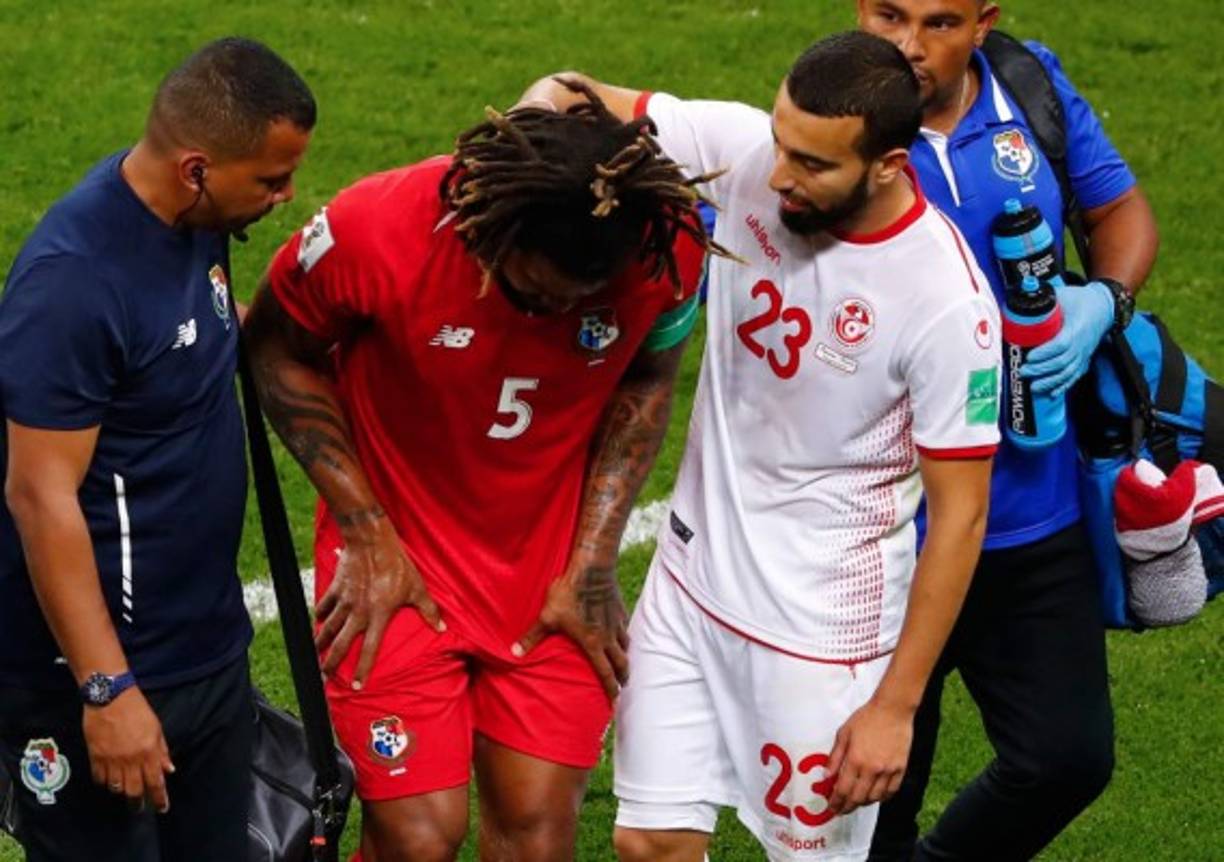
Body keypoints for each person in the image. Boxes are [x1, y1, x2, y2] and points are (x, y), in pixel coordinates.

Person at [522, 30, 1003, 862]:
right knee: (646, 843)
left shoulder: (946, 304)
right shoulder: (749, 154)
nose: (778, 174)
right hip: (687, 588)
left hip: (818, 637)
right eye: (782, 142)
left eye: (814, 164)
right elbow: (570, 90)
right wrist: (526, 142)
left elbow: (961, 519)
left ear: (888, 164)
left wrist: (896, 706)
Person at [243, 92, 727, 862]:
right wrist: (365, 529)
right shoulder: (379, 229)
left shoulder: (664, 253)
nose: (551, 315)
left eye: (579, 304)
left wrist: (596, 560)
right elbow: (274, 347)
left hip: (551, 574)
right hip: (397, 559)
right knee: (419, 838)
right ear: (490, 231)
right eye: (532, 293)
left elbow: (647, 379)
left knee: (537, 834)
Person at [856, 2, 1161, 860]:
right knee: (879, 788)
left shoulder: (1031, 90)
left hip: (1036, 507)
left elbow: (1121, 213)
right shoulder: (833, 119)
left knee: (1067, 759)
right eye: (889, 14)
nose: (910, 45)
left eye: (940, 22)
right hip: (891, 530)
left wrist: (1103, 302)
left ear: (984, 23)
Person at [0, 37, 314, 862]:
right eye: (272, 180)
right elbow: (39, 495)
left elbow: (190, 338)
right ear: (198, 167)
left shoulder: (191, 223)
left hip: (205, 652)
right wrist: (106, 691)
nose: (287, 196)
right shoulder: (72, 281)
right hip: (97, 679)